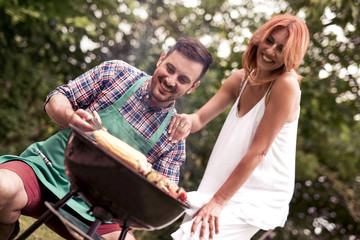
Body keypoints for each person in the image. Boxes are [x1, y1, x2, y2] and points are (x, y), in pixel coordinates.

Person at [0, 36, 213, 240]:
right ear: (161, 59)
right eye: (170, 68)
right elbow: (56, 99)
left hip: (103, 211)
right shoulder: (117, 72)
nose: (170, 80)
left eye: (183, 80)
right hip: (46, 170)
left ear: (192, 88)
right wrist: (70, 117)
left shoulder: (174, 137)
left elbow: (158, 202)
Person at [169, 14, 310, 240]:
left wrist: (217, 202)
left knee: (192, 237)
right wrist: (186, 120)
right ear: (260, 39)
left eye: (282, 48)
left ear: (291, 54)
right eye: (270, 40)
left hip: (257, 195)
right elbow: (200, 118)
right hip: (220, 184)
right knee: (190, 232)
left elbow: (259, 151)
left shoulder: (286, 85)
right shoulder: (240, 79)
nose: (271, 51)